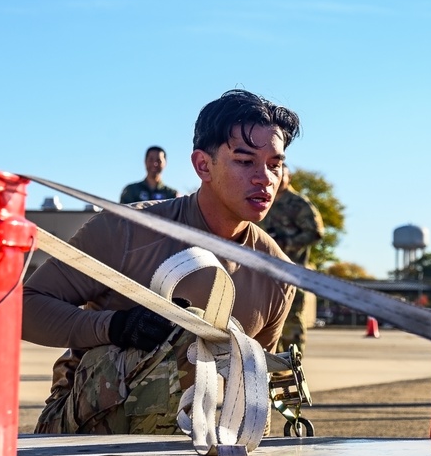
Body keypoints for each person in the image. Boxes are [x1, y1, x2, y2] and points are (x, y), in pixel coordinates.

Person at [24, 89, 300, 435]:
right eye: (245, 161)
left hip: (190, 438)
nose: (265, 178)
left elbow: (252, 390)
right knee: (185, 339)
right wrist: (115, 327)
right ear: (203, 165)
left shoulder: (277, 274)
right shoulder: (127, 230)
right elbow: (24, 306)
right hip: (81, 436)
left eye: (275, 165)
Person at [261, 164, 324, 353]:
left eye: (280, 172)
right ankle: (272, 366)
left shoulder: (298, 204)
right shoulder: (264, 200)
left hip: (292, 271)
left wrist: (285, 243)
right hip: (265, 271)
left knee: (291, 320)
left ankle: (292, 363)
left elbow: (315, 232)